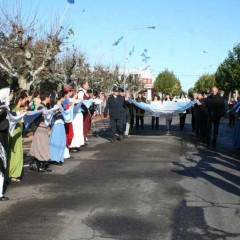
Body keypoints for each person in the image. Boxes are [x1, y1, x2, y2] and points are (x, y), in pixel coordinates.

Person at [7, 91, 28, 182]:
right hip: (13, 133)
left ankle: (14, 173)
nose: (26, 100)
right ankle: (12, 174)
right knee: (13, 153)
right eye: (25, 99)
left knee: (17, 154)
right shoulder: (12, 109)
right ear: (20, 99)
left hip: (19, 133)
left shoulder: (23, 108)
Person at [30, 91, 52, 172]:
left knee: (41, 146)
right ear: (46, 98)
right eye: (49, 97)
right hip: (40, 129)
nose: (50, 98)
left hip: (42, 128)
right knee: (42, 147)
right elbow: (37, 118)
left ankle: (36, 164)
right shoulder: (40, 107)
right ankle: (41, 165)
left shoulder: (43, 106)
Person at [49, 91, 66, 165]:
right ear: (61, 98)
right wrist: (57, 112)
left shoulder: (61, 105)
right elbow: (52, 115)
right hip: (56, 124)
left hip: (61, 124)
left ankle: (59, 158)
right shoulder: (55, 105)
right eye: (64, 97)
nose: (65, 98)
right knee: (55, 141)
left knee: (61, 141)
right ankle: (54, 158)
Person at [62, 86, 74, 157]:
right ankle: (65, 150)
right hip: (66, 120)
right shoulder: (65, 99)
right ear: (68, 92)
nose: (71, 92)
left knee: (69, 135)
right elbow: (66, 108)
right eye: (71, 91)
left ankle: (66, 150)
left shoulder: (67, 99)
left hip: (68, 119)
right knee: (69, 135)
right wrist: (71, 104)